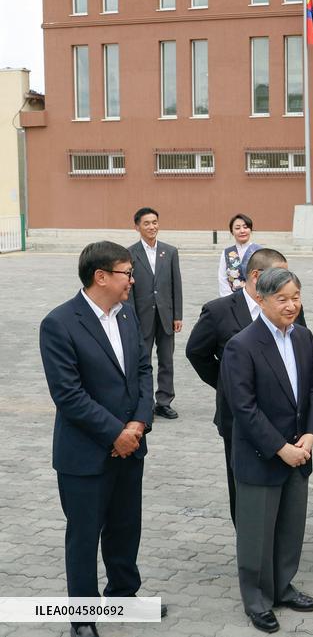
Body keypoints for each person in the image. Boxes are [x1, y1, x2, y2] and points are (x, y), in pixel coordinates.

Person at [39, 242, 158, 637]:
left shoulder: (126, 317)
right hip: (85, 455)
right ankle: (84, 616)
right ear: (101, 276)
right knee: (84, 535)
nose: (132, 280)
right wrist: (115, 433)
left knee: (126, 527)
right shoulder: (59, 323)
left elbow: (143, 371)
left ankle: (124, 594)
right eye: (127, 273)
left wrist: (138, 425)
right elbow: (68, 394)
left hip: (131, 447)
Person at [220, 267, 313, 634]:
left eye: (295, 297)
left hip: (300, 450)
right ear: (261, 300)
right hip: (263, 456)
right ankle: (257, 599)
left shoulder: (304, 338)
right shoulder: (242, 345)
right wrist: (281, 448)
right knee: (256, 534)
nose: (291, 305)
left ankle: (283, 586)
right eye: (282, 298)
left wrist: (309, 436)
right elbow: (243, 408)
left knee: (290, 528)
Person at [186, 248, 304, 526]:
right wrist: (228, 385)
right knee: (244, 490)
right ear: (256, 275)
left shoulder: (290, 306)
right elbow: (196, 353)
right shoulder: (219, 310)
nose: (287, 283)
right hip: (238, 418)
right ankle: (250, 549)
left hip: (284, 416)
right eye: (280, 274)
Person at [128, 207, 183, 420]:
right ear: (137, 227)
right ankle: (145, 403)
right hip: (141, 317)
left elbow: (176, 284)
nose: (152, 227)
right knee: (143, 361)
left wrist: (177, 315)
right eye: (146, 223)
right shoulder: (130, 254)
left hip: (166, 316)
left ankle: (164, 401)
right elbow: (129, 289)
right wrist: (130, 318)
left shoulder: (169, 252)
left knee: (166, 360)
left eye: (154, 222)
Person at [219, 213, 261, 297]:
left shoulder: (259, 251)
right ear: (232, 232)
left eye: (245, 227)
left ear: (250, 230)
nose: (242, 231)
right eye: (237, 228)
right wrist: (228, 299)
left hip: (256, 298)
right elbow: (223, 278)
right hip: (233, 298)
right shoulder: (227, 253)